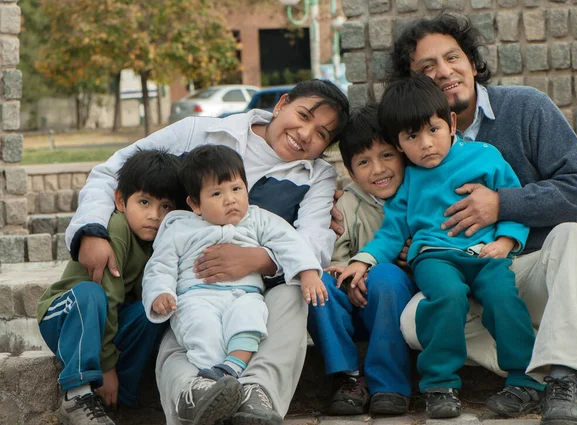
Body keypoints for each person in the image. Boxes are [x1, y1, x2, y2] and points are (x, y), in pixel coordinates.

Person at [64, 79, 350, 425]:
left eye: (321, 134)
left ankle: (257, 399)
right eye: (302, 115)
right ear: (281, 104)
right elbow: (113, 171)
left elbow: (312, 243)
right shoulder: (203, 132)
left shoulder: (316, 176)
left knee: (295, 294)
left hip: (256, 290)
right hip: (188, 280)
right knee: (186, 319)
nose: (305, 134)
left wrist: (260, 260)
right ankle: (190, 393)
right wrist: (91, 231)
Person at [390, 13, 577, 425]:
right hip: (455, 281)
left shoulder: (526, 107)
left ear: (470, 60)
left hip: (528, 271)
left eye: (452, 58)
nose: (444, 72)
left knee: (575, 237)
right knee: (412, 322)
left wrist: (502, 204)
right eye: (427, 68)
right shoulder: (410, 134)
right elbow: (386, 192)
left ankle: (562, 377)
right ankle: (533, 364)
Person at [339, 75, 545, 419]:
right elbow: (393, 231)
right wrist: (363, 260)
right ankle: (440, 385)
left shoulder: (485, 157)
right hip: (434, 258)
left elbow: (512, 201)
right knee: (447, 297)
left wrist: (505, 241)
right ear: (400, 144)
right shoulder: (411, 178)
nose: (426, 144)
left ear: (451, 123)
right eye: (411, 137)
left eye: (432, 130)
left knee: (503, 298)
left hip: (485, 252)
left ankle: (525, 379)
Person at [143, 145, 328, 425]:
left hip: (245, 294)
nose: (230, 200)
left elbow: (289, 242)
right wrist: (161, 293)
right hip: (197, 297)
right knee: (202, 330)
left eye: (236, 189)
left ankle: (233, 371)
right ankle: (208, 389)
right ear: (195, 204)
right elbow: (160, 266)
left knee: (250, 318)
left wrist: (308, 272)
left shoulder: (257, 219)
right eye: (217, 194)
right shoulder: (180, 227)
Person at [37, 149, 185, 425]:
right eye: (144, 202)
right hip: (68, 315)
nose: (154, 215)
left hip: (108, 322)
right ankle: (77, 396)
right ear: (120, 200)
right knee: (91, 295)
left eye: (165, 206)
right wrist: (106, 366)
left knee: (152, 311)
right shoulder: (118, 228)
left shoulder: (165, 239)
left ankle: (119, 402)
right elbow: (108, 295)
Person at [307, 104, 415, 416]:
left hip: (395, 299)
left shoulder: (417, 195)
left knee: (385, 276)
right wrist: (346, 273)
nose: (378, 169)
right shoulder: (348, 202)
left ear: (403, 154)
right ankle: (348, 377)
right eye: (364, 162)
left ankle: (389, 384)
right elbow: (336, 255)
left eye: (387, 156)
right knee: (320, 284)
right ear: (351, 172)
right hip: (354, 304)